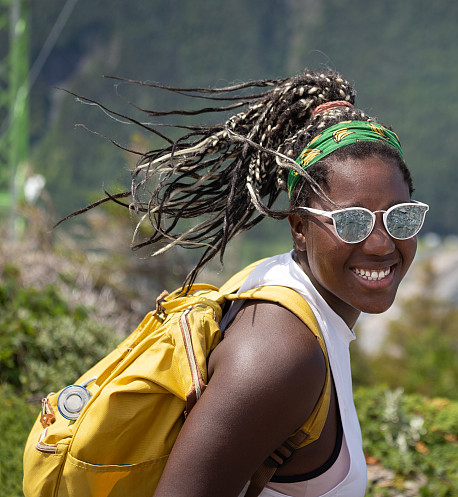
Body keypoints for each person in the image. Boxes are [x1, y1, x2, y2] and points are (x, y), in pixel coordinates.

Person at [69, 69, 428, 496]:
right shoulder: (280, 352)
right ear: (299, 227)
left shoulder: (287, 296)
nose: (382, 243)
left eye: (401, 217)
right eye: (352, 222)